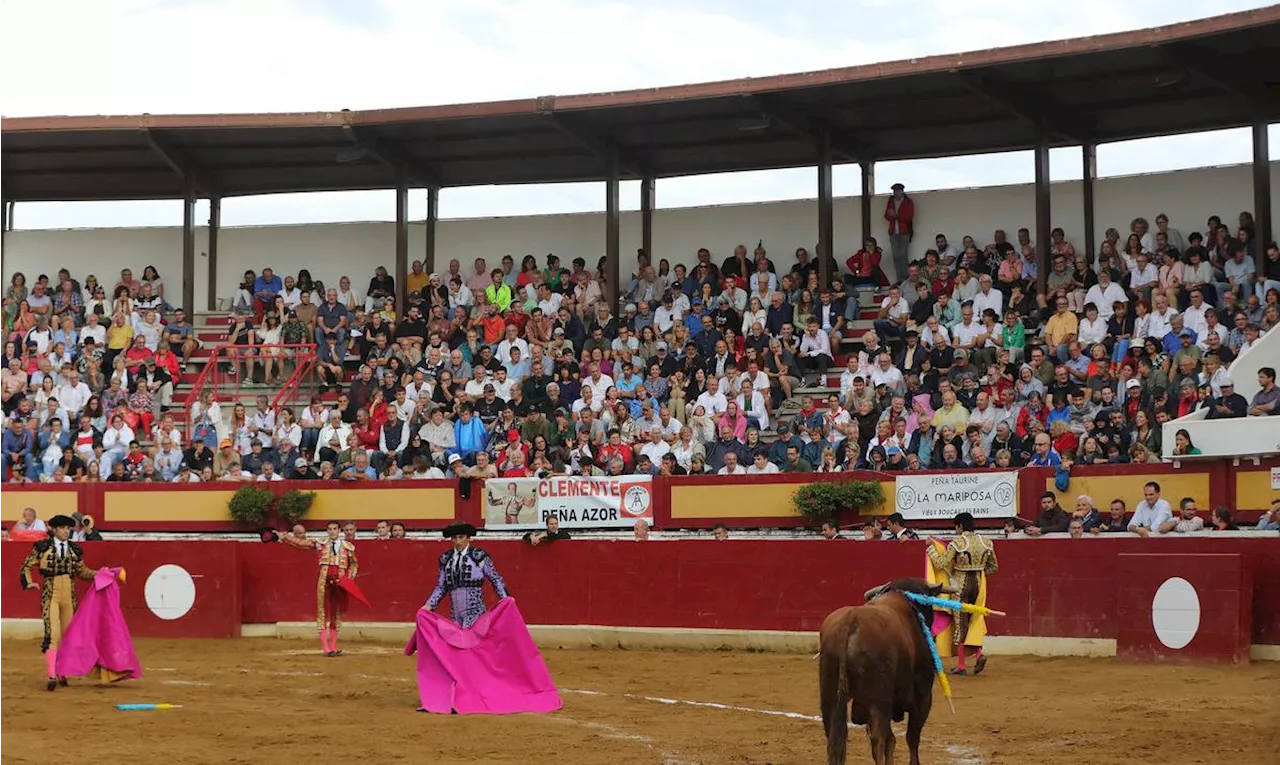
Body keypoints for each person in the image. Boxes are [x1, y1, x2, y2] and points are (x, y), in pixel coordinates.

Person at [19, 515, 121, 691]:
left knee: (69, 635)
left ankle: (62, 672)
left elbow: (82, 572)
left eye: (69, 528)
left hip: (69, 595)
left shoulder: (75, 549)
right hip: (50, 593)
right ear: (54, 530)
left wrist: (101, 574)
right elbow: (26, 566)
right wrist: (28, 582)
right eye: (63, 528)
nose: (67, 531)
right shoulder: (42, 547)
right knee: (53, 634)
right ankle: (52, 674)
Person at [927, 511, 998, 676]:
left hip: (960, 586)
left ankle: (960, 665)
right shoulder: (986, 542)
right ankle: (979, 654)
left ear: (959, 526)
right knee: (975, 619)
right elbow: (994, 567)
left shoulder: (957, 543)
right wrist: (979, 571)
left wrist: (931, 547)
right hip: (979, 586)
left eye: (956, 527)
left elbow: (940, 564)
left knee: (961, 623)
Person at [424, 521, 508, 628]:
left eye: (461, 537)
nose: (458, 541)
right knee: (458, 640)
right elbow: (441, 587)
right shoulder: (445, 559)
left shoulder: (479, 556)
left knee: (469, 639)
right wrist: (429, 605)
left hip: (475, 611)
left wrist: (505, 598)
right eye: (454, 538)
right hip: (455, 613)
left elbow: (495, 579)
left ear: (468, 538)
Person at [315, 520, 360, 657]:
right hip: (324, 582)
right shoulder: (320, 544)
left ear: (339, 530)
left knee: (337, 613)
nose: (332, 531)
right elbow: (301, 544)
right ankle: (325, 648)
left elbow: (354, 564)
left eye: (334, 528)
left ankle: (333, 646)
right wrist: (282, 537)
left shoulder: (348, 547)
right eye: (329, 529)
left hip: (339, 583)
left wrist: (349, 576)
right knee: (322, 612)